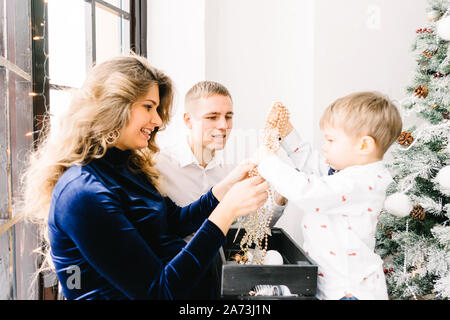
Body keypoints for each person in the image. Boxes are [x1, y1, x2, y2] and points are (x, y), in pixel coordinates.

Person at [20, 55, 270, 300]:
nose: (158, 120)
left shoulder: (128, 166)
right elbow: (158, 292)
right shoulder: (82, 192)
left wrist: (225, 188)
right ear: (113, 106)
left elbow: (175, 221)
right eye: (148, 107)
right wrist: (226, 211)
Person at [256, 91, 403, 300]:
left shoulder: (360, 183)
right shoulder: (346, 172)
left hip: (351, 293)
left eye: (331, 140)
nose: (324, 146)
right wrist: (286, 132)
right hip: (331, 287)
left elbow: (307, 192)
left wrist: (267, 161)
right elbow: (310, 162)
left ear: (364, 145)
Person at [155, 81, 286, 237]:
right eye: (212, 117)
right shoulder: (159, 166)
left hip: (221, 260)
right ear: (188, 120)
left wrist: (280, 197)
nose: (224, 125)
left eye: (228, 117)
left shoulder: (232, 169)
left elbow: (251, 230)